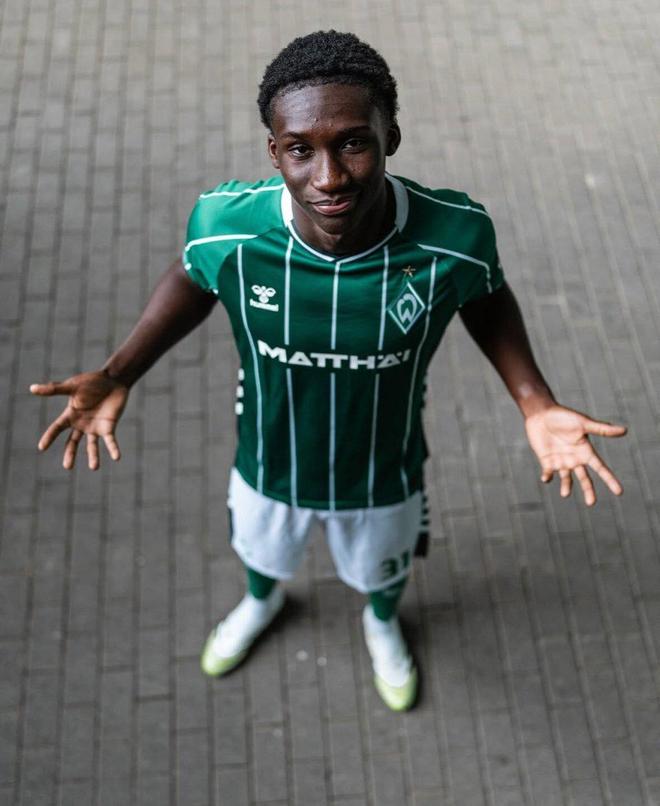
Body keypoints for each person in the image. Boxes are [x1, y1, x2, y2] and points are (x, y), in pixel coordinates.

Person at [31, 31, 627, 712]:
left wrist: (535, 401)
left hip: (383, 468)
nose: (329, 176)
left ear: (390, 135)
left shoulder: (454, 236)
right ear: (274, 152)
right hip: (267, 459)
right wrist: (120, 371)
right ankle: (262, 603)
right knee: (261, 555)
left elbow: (485, 295)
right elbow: (194, 275)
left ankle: (382, 624)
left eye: (352, 143)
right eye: (300, 150)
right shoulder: (226, 227)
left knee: (383, 572)